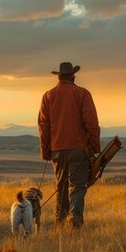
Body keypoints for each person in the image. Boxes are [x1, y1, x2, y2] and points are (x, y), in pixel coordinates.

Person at [38, 62, 100, 229]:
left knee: (61, 186)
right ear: (73, 76)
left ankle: (60, 222)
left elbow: (43, 126)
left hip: (57, 150)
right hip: (78, 149)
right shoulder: (82, 94)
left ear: (58, 76)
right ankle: (75, 223)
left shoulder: (48, 96)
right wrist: (95, 149)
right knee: (78, 187)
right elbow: (92, 124)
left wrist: (45, 151)